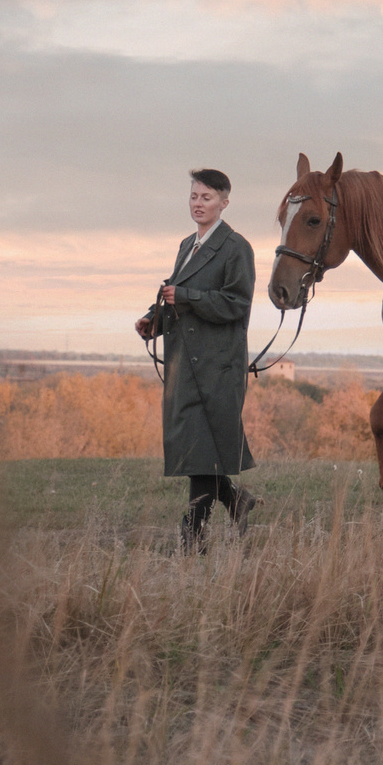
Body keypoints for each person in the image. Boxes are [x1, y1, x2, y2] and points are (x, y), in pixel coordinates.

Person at [135, 168, 258, 547]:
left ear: (224, 202)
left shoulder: (237, 247)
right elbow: (179, 294)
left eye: (206, 197)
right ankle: (235, 500)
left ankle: (193, 536)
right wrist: (152, 320)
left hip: (217, 366)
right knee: (196, 448)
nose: (198, 204)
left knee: (202, 450)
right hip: (184, 364)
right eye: (193, 196)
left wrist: (188, 298)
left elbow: (237, 305)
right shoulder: (188, 244)